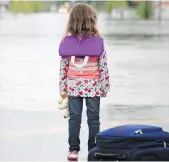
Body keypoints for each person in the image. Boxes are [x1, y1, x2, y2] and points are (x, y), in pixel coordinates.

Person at [58, 3, 110, 160]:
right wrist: (105, 86)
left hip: (73, 85)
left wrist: (63, 87)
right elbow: (103, 67)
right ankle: (93, 150)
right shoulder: (97, 41)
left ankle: (73, 150)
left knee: (74, 119)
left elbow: (63, 68)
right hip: (93, 85)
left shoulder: (67, 41)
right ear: (91, 20)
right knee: (94, 120)